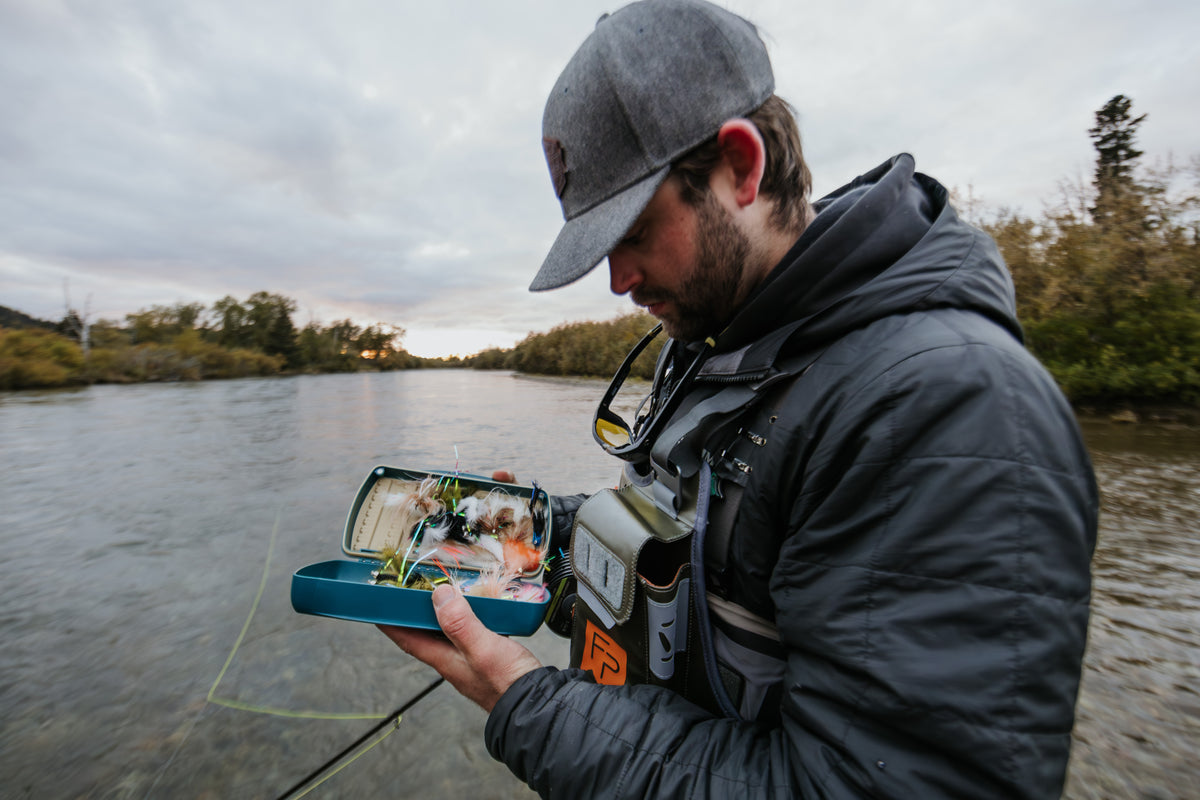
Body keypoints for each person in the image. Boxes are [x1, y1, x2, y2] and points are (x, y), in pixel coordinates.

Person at [380, 1, 1098, 797]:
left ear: (741, 166)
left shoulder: (948, 406)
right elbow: (689, 549)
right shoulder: (717, 343)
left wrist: (524, 704)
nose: (618, 282)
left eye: (632, 234)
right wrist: (529, 538)